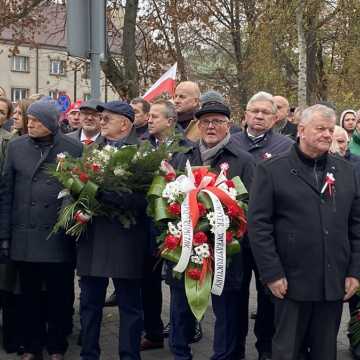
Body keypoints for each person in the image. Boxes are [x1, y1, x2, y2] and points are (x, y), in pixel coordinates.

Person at [248, 104, 360, 360]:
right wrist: (272, 274)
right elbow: (259, 226)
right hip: (290, 283)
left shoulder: (344, 171)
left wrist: (355, 271)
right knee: (287, 351)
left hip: (332, 282)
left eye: (330, 129)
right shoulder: (271, 170)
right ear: (301, 130)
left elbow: (356, 224)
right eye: (320, 128)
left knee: (324, 352)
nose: (327, 134)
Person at [167, 101, 255, 360]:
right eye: (205, 122)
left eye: (217, 121)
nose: (210, 126)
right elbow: (166, 198)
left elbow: (251, 206)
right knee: (180, 311)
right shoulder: (182, 156)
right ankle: (180, 355)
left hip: (224, 252)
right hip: (185, 250)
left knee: (225, 314)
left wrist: (227, 228)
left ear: (229, 125)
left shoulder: (243, 160)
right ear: (197, 125)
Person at [0, 100, 82, 360]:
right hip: (24, 233)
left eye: (36, 120)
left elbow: (80, 190)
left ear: (50, 123)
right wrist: (4, 235)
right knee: (28, 296)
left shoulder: (74, 148)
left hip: (57, 236)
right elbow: (6, 193)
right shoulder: (16, 147)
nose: (30, 124)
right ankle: (32, 347)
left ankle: (57, 346)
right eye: (29, 119)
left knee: (59, 296)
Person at [77, 101, 148, 360]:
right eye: (101, 117)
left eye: (107, 118)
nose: (101, 121)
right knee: (89, 304)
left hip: (126, 239)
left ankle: (129, 356)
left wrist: (106, 195)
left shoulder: (143, 153)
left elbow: (144, 201)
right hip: (93, 238)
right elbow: (73, 185)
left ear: (125, 124)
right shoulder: (90, 150)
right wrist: (75, 209)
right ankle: (88, 354)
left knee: (130, 306)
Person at [232, 91, 293, 360]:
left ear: (275, 117)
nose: (258, 116)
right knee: (234, 295)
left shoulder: (287, 146)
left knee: (269, 296)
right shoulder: (230, 143)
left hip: (269, 237)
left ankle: (265, 349)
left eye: (265, 112)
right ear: (244, 114)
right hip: (233, 236)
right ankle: (234, 348)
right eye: (253, 111)